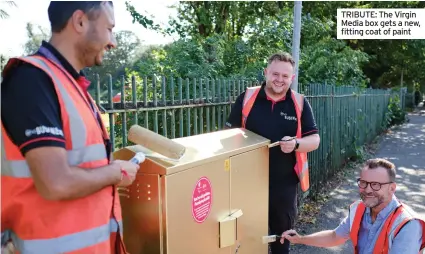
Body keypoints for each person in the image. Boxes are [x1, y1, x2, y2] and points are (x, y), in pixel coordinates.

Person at [1, 2, 140, 253]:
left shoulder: (72, 86)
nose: (113, 42)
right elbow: (56, 182)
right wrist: (116, 172)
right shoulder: (32, 80)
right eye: (109, 28)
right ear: (79, 22)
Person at [226, 52, 321, 254]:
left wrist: (296, 143)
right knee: (246, 238)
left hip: (284, 184)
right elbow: (228, 136)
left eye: (285, 76)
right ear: (266, 72)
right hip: (247, 182)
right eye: (275, 74)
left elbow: (314, 140)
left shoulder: (300, 103)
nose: (279, 80)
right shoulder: (246, 98)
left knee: (281, 239)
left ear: (292, 78)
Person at [280, 158, 425, 254]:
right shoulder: (360, 209)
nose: (368, 190)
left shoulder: (407, 225)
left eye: (376, 185)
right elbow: (335, 236)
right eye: (364, 183)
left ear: (392, 188)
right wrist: (300, 239)